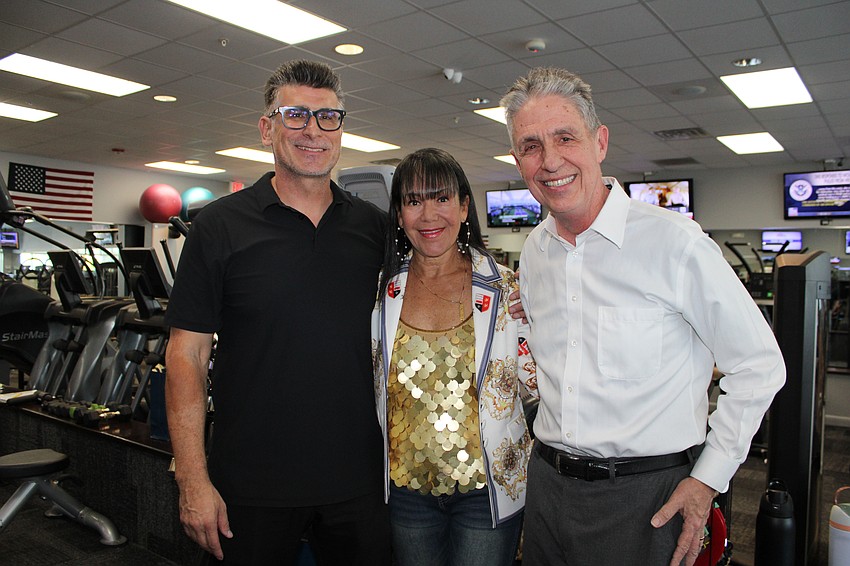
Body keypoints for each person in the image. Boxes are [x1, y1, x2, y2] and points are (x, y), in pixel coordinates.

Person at [499, 67, 786, 566]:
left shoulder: (675, 244)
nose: (550, 161)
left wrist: (707, 479)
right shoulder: (536, 252)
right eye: (530, 146)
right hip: (546, 487)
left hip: (645, 498)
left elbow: (760, 365)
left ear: (600, 141)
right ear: (518, 159)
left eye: (565, 137)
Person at [164, 60, 392, 565]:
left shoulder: (375, 228)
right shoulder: (220, 226)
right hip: (249, 483)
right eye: (296, 115)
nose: (313, 130)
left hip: (357, 479)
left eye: (328, 118)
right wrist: (192, 478)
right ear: (267, 128)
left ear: (341, 130)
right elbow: (187, 354)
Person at [371, 148, 538, 566]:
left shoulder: (506, 290)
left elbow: (541, 380)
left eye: (441, 198)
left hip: (487, 494)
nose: (429, 215)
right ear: (398, 214)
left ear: (464, 207)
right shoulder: (379, 292)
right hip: (407, 490)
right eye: (413, 201)